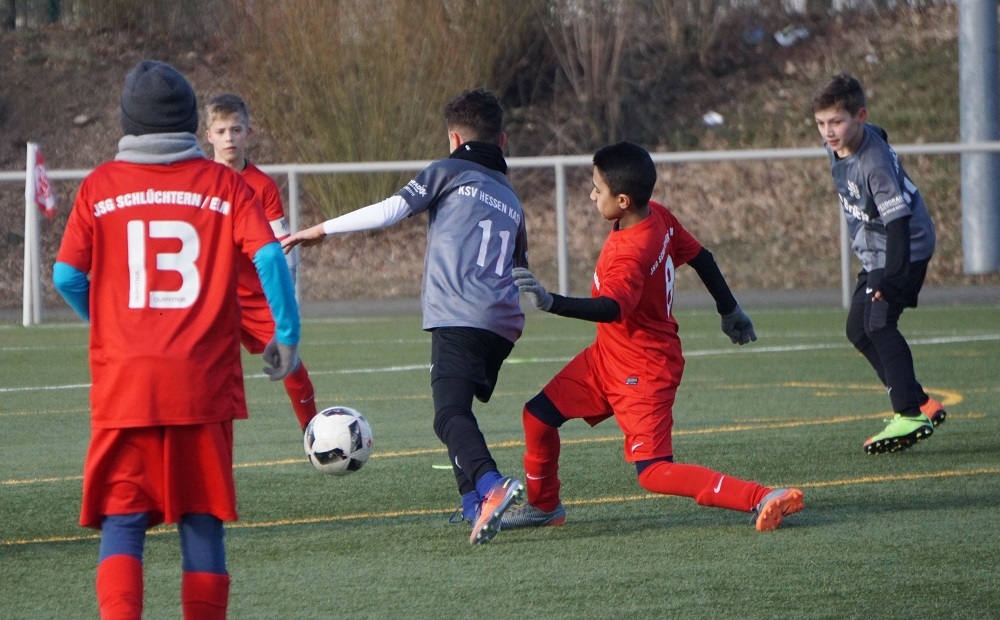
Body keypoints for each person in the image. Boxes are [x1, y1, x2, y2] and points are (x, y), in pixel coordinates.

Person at [53, 60, 300, 619]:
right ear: (192, 122)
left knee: (123, 520)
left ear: (129, 122)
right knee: (201, 517)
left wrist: (107, 323)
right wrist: (285, 333)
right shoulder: (225, 185)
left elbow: (66, 275)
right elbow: (268, 255)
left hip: (126, 383)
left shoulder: (99, 187)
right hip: (201, 382)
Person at [501, 141, 804, 533]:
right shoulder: (656, 215)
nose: (592, 195)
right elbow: (702, 257)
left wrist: (551, 301)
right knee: (538, 416)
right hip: (607, 358)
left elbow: (612, 307)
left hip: (643, 369)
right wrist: (729, 309)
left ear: (623, 200)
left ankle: (760, 496)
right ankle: (544, 507)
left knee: (653, 472)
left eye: (597, 189)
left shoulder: (631, 253)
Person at [282, 88, 528, 545]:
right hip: (503, 322)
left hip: (460, 313)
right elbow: (520, 267)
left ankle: (491, 484)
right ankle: (472, 505)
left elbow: (392, 210)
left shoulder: (449, 170)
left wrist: (321, 229)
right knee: (456, 411)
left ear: (454, 139)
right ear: (503, 141)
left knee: (448, 414)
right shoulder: (510, 197)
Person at [812, 74, 945, 455]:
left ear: (860, 117)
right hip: (877, 251)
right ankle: (920, 402)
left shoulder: (873, 164)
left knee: (879, 323)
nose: (828, 131)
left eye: (836, 122)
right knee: (858, 328)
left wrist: (892, 278)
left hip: (904, 249)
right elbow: (880, 133)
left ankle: (908, 413)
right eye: (821, 123)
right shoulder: (843, 142)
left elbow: (898, 221)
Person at [204, 93, 318, 431]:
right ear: (208, 136)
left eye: (236, 130)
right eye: (221, 131)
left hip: (255, 295)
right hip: (210, 293)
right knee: (198, 366)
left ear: (248, 133)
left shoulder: (263, 186)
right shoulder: (199, 182)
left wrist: (285, 292)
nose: (229, 138)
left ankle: (313, 433)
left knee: (290, 360)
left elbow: (281, 247)